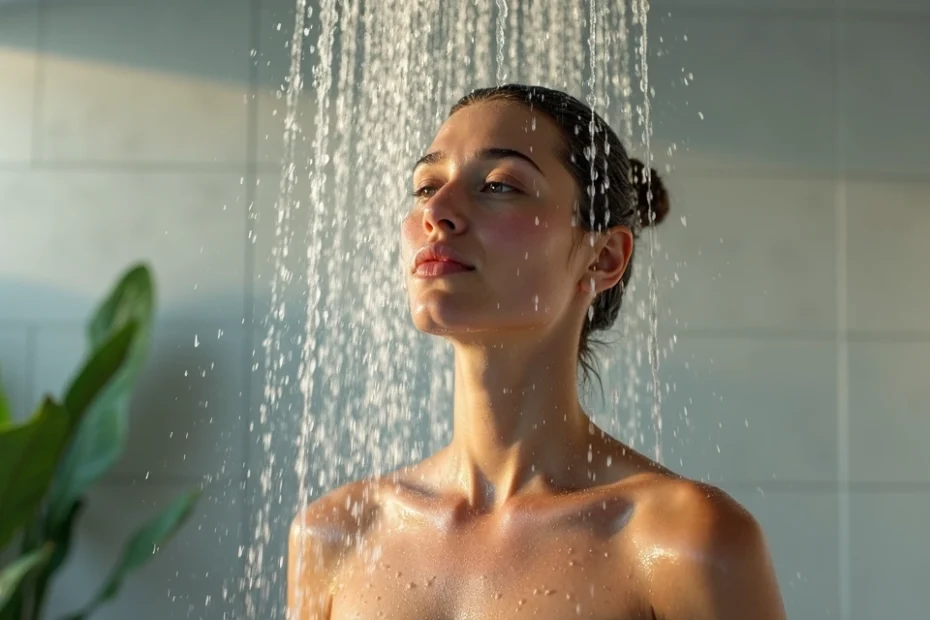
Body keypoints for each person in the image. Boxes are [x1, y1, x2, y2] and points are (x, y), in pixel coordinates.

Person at [287, 84, 786, 619]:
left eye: (500, 185)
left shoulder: (681, 542)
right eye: (425, 185)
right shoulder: (338, 533)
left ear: (603, 257)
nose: (437, 211)